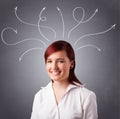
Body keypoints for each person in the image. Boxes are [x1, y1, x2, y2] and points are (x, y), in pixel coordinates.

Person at [30, 40, 98, 119]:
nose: (54, 67)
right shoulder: (39, 96)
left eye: (60, 61)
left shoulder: (86, 96)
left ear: (71, 64)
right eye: (49, 61)